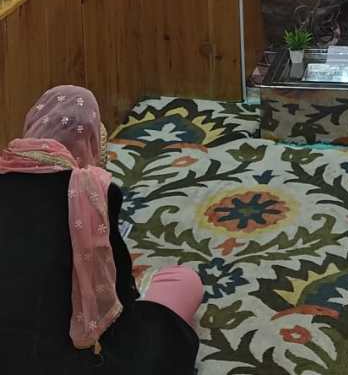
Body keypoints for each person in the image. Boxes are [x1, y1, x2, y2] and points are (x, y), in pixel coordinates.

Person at [0, 85, 203, 373]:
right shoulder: (90, 190)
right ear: (91, 139)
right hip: (75, 359)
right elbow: (118, 297)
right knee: (183, 284)